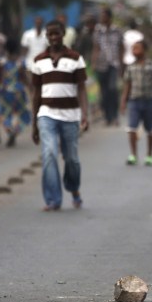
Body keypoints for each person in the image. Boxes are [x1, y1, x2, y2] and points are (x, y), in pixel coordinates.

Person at [31, 19, 89, 211]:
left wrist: (85, 115)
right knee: (49, 154)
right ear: (46, 37)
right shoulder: (39, 60)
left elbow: (82, 89)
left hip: (70, 116)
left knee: (71, 159)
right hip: (46, 115)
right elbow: (36, 93)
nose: (54, 37)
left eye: (57, 33)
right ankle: (53, 199)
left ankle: (74, 189)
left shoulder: (75, 58)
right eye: (50, 34)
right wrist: (33, 124)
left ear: (63, 34)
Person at [119, 40, 152, 166]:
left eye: (137, 48)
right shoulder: (131, 67)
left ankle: (149, 155)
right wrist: (123, 101)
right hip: (134, 101)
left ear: (144, 50)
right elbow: (128, 85)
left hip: (150, 101)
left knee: (150, 129)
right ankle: (133, 155)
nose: (134, 51)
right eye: (133, 48)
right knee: (131, 128)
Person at [92, 7, 124, 126]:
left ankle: (115, 116)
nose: (101, 18)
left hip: (113, 64)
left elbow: (121, 48)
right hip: (101, 64)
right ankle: (107, 117)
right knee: (104, 92)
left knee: (112, 90)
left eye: (103, 16)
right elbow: (96, 48)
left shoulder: (118, 31)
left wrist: (121, 64)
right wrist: (94, 63)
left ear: (109, 17)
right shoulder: (98, 31)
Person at [0, 38, 31, 147]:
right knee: (21, 114)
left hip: (6, 90)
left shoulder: (2, 62)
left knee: (6, 114)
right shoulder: (21, 62)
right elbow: (24, 77)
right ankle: (16, 131)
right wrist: (29, 87)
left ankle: (9, 131)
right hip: (18, 90)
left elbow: (1, 78)